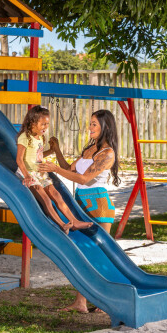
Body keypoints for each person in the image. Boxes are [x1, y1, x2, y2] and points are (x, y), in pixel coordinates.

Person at [38, 109, 120, 313]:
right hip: (81, 202)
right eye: (90, 123)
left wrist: (55, 169)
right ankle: (80, 302)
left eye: (94, 124)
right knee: (83, 254)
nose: (90, 127)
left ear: (105, 127)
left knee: (100, 256)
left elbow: (83, 178)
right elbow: (70, 170)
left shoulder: (107, 153)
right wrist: (56, 151)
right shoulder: (90, 149)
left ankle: (107, 301)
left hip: (99, 205)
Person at [16, 105, 93, 234]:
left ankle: (74, 222)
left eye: (47, 124)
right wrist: (27, 175)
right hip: (29, 174)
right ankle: (62, 225)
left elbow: (38, 155)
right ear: (33, 122)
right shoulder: (25, 137)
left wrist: (51, 150)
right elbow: (19, 159)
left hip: (40, 174)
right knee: (46, 199)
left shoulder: (40, 137)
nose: (46, 127)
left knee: (57, 195)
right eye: (43, 124)